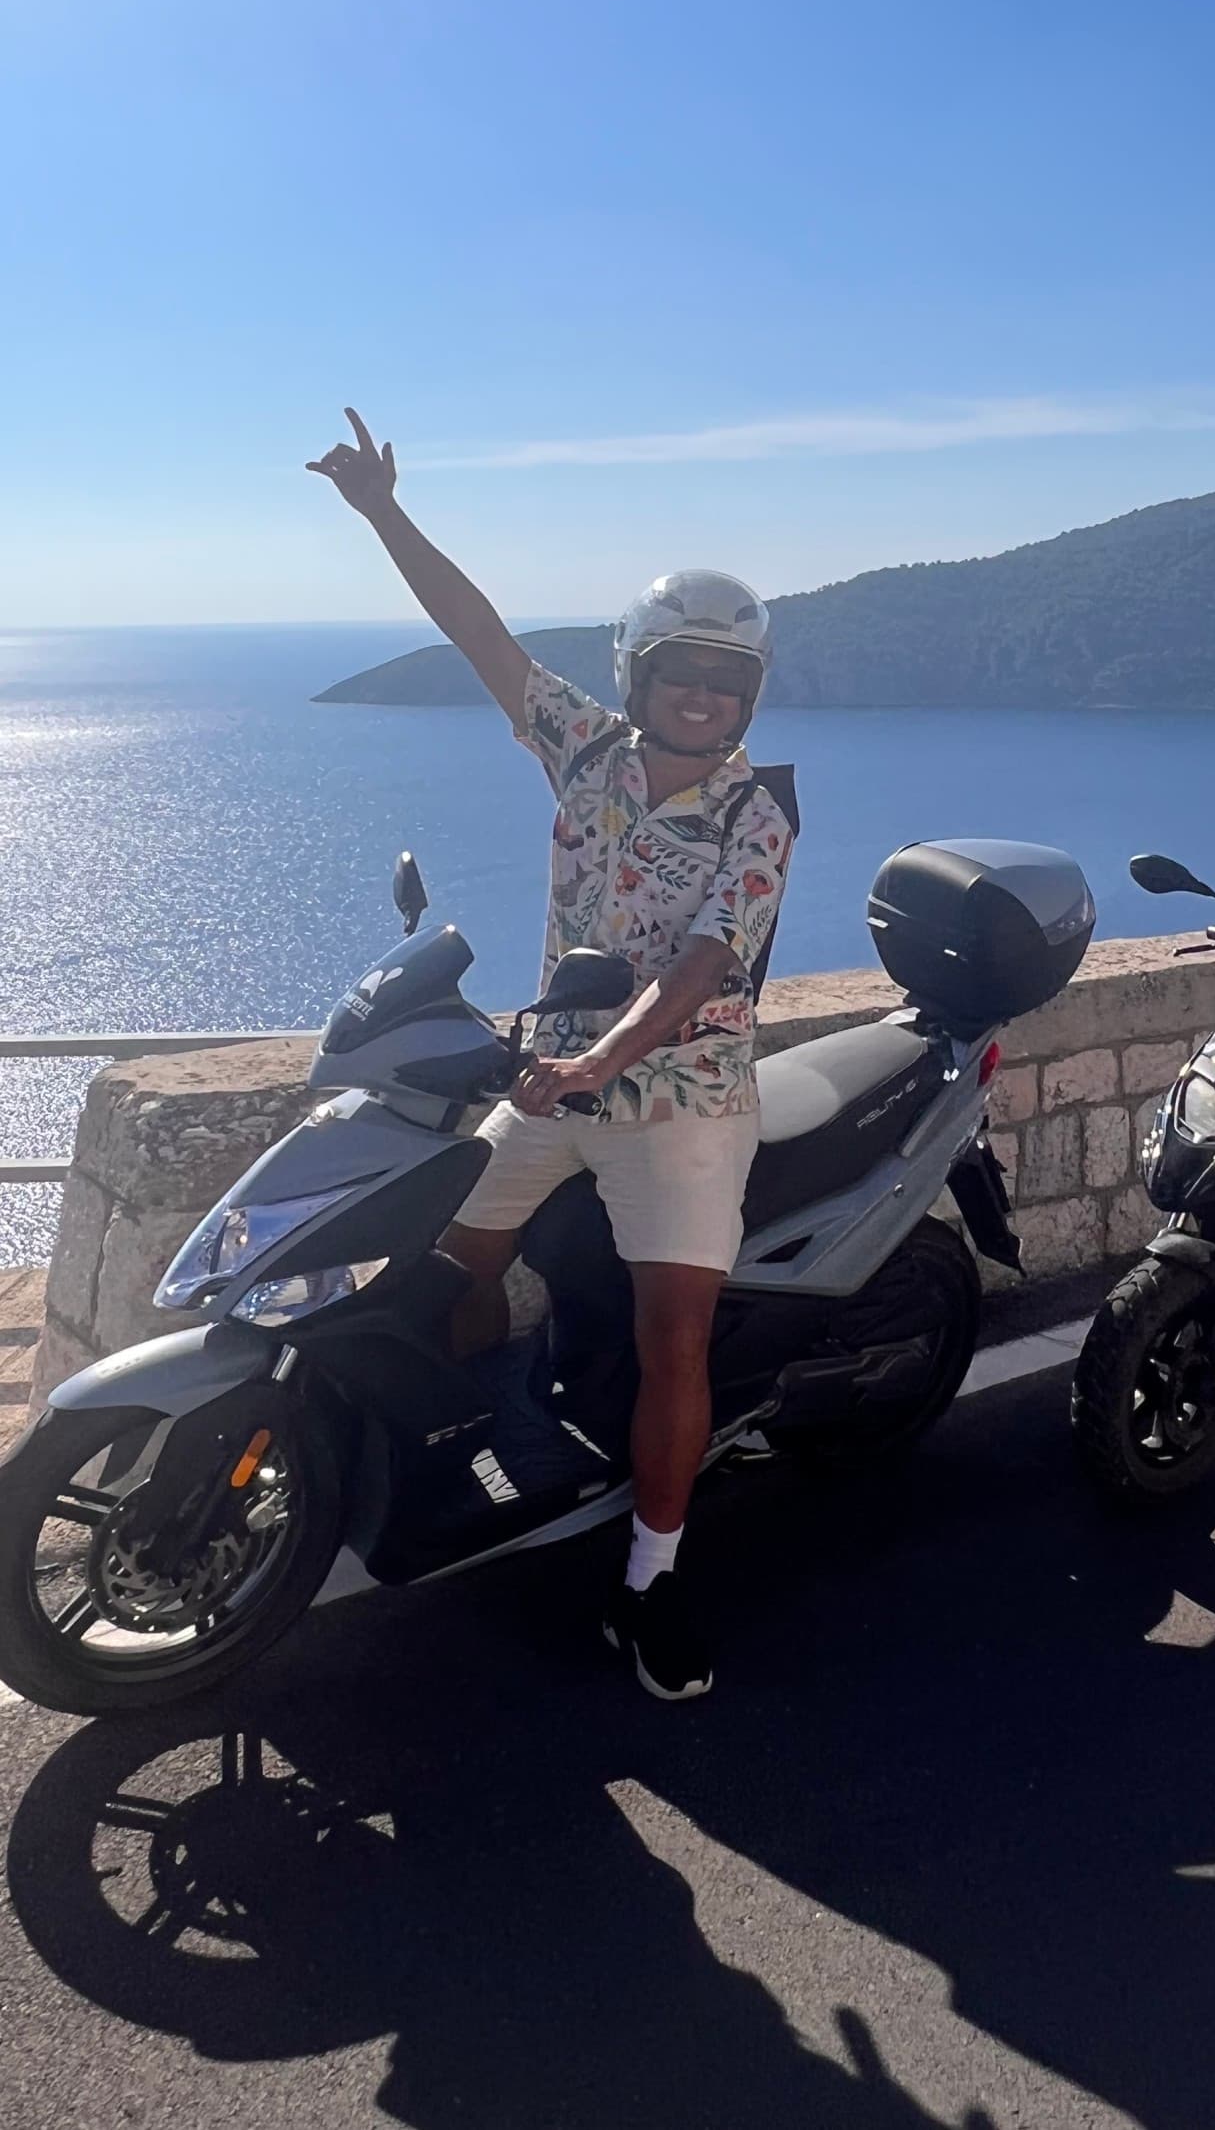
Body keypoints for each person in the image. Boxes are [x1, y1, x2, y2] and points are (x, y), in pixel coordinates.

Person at [310, 410, 794, 1695]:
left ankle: (653, 1576)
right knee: (451, 1252)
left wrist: (599, 1063)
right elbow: (482, 637)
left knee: (673, 1338)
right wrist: (382, 513)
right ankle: (481, 1441)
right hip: (554, 1074)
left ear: (746, 700)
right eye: (683, 672)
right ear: (638, 675)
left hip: (678, 1100)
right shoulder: (586, 748)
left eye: (726, 683)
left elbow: (703, 968)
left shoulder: (756, 812)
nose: (703, 697)